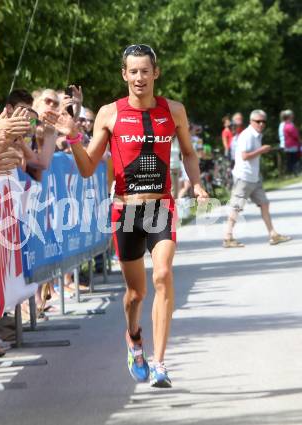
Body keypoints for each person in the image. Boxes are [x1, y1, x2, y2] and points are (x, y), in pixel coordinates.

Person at [44, 44, 207, 388]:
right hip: (125, 210)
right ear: (124, 75)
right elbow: (88, 169)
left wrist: (197, 184)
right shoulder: (109, 113)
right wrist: (72, 136)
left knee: (163, 274)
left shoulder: (174, 110)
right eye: (133, 71)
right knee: (136, 293)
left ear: (155, 73)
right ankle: (133, 337)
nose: (139, 77)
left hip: (161, 206)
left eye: (145, 71)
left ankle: (160, 363)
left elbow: (190, 154)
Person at [223, 110, 291, 247]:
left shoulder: (257, 135)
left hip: (254, 177)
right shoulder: (247, 135)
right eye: (258, 121)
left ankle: (273, 234)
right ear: (251, 122)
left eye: (263, 122)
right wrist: (262, 150)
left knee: (264, 204)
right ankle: (228, 238)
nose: (261, 124)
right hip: (243, 177)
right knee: (236, 207)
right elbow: (244, 156)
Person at [282, 110, 301, 175]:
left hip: (289, 145)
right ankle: (295, 172)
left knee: (291, 160)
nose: (293, 116)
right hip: (292, 145)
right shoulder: (289, 125)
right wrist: (299, 140)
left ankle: (292, 173)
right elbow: (295, 135)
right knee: (294, 159)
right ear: (289, 116)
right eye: (292, 115)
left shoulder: (286, 125)